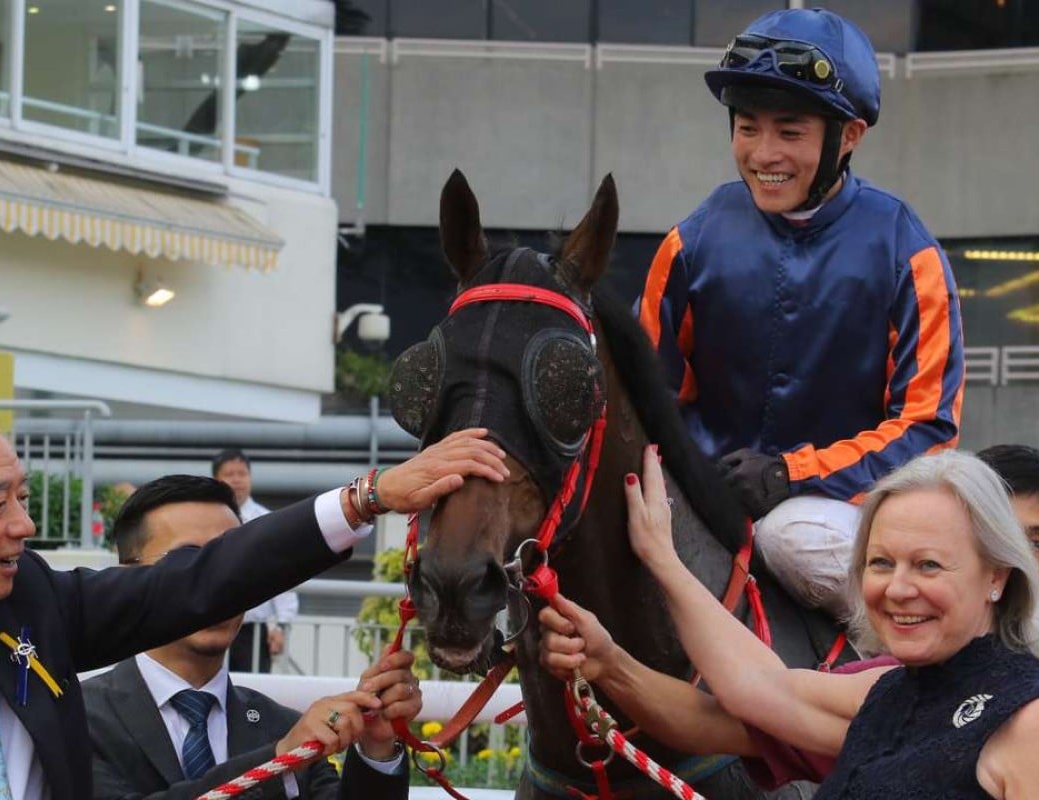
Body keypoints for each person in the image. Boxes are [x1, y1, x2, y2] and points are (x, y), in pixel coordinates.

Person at [0, 402, 508, 800]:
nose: (24, 524)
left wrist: (369, 497)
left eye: (22, 495)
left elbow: (197, 583)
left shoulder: (28, 602)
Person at [635, 7, 965, 617]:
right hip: (703, 499)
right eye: (747, 128)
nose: (765, 154)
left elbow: (928, 430)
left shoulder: (905, 250)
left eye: (790, 132)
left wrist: (794, 474)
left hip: (839, 514)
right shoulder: (690, 244)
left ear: (850, 136)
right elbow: (646, 397)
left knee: (794, 537)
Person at [539, 442, 1039, 788]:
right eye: (882, 562)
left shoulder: (1025, 720)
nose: (900, 588)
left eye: (929, 563)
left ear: (998, 575)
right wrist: (611, 652)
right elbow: (757, 691)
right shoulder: (886, 692)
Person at [84, 475, 416, 799]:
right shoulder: (79, 718)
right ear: (128, 577)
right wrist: (276, 761)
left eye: (233, 568)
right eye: (188, 566)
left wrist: (377, 750)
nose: (216, 589)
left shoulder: (283, 725)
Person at [213, 448, 297, 673]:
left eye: (242, 473)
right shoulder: (205, 520)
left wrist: (281, 624)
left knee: (252, 698)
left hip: (254, 630)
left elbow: (284, 572)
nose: (236, 480)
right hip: (211, 625)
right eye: (229, 474)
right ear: (215, 479)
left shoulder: (268, 520)